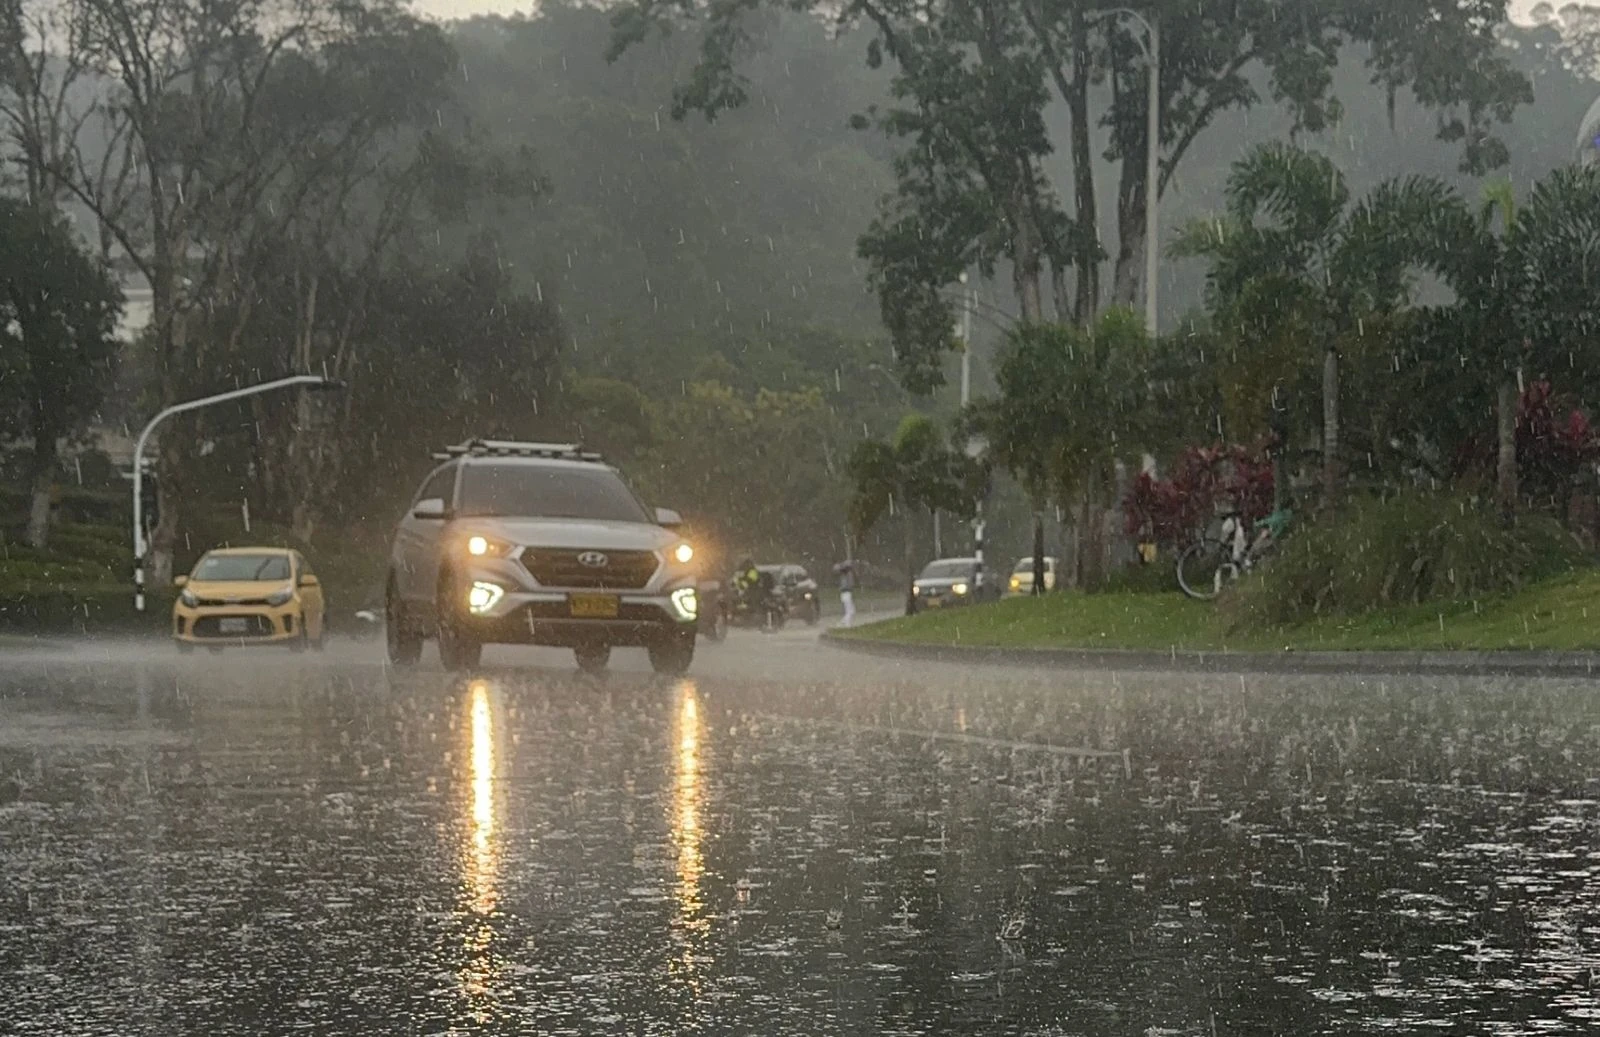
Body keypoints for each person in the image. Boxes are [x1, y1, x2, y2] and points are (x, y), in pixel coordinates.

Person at [835, 560, 856, 627]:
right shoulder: (846, 574)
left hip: (846, 594)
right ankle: (846, 624)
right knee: (849, 611)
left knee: (851, 611)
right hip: (846, 593)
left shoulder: (845, 574)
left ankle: (843, 623)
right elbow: (848, 585)